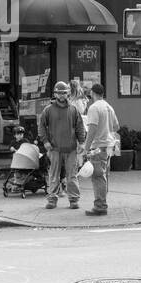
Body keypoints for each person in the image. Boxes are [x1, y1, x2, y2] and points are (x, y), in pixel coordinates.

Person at [38, 81, 86, 209]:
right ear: (54, 94)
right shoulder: (48, 110)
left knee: (72, 176)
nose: (61, 96)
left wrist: (82, 142)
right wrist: (45, 141)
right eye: (59, 93)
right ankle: (52, 200)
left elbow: (80, 127)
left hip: (71, 149)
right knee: (54, 175)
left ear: (68, 93)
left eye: (64, 93)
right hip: (54, 148)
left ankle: (74, 200)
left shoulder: (73, 109)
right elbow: (41, 126)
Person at [80, 83, 119, 216]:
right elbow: (116, 126)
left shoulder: (94, 107)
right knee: (103, 176)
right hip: (109, 146)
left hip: (98, 146)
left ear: (92, 93)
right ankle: (102, 202)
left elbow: (92, 129)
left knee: (98, 177)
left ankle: (100, 206)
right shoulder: (109, 107)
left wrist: (86, 148)